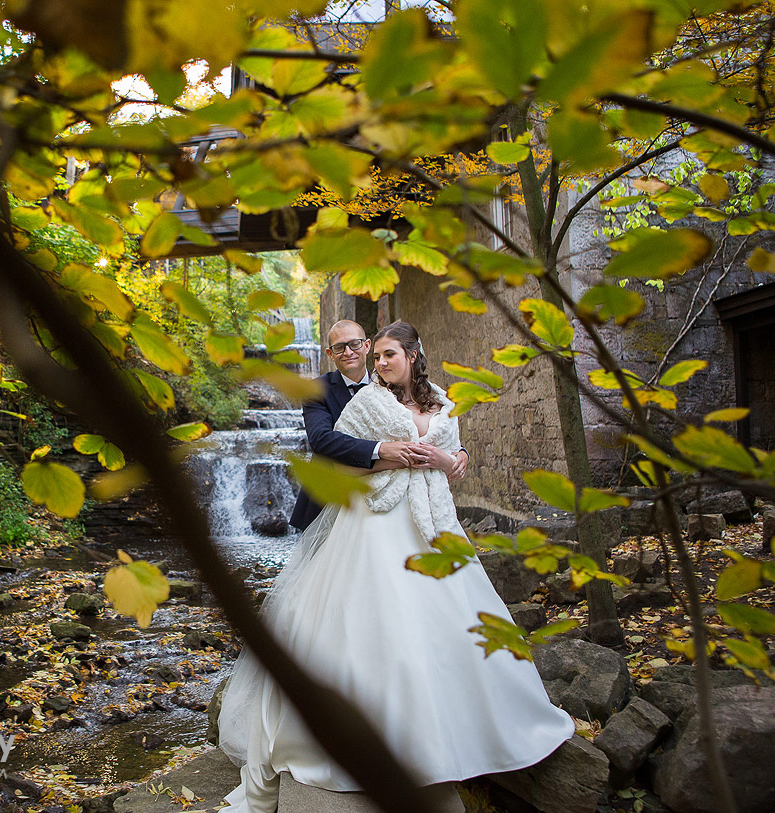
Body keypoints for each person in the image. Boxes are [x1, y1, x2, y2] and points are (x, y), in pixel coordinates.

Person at [219, 320, 574, 813]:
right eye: (372, 354)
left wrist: (450, 459)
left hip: (434, 524)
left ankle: (473, 731)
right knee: (373, 622)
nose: (377, 361)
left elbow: (453, 460)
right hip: (376, 521)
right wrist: (387, 458)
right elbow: (329, 455)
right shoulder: (361, 400)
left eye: (386, 353)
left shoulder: (441, 402)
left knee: (454, 622)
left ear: (411, 354)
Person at [289, 319, 468, 532]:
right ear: (330, 353)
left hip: (394, 500)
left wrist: (459, 452)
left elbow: (425, 426)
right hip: (331, 496)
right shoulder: (316, 389)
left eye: (354, 344)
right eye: (339, 347)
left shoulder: (397, 385)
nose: (348, 352)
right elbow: (321, 440)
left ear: (366, 346)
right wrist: (382, 450)